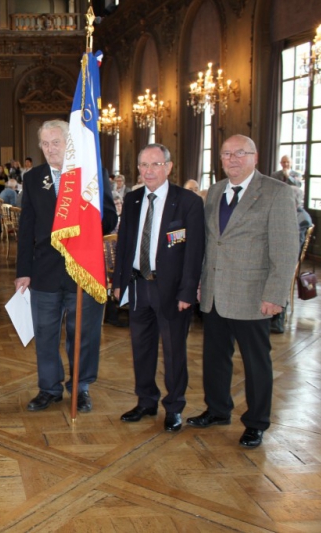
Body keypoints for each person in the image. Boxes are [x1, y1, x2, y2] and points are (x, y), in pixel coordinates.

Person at [187, 134, 299, 448]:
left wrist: (276, 294)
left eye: (240, 153)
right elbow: (211, 243)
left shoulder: (276, 192)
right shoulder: (215, 192)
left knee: (256, 362)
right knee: (214, 358)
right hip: (214, 292)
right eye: (226, 154)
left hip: (253, 294)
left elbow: (285, 249)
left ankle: (257, 422)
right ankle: (218, 409)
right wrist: (198, 282)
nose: (233, 159)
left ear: (255, 156)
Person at [15, 120, 118, 412]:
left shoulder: (91, 174)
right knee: (46, 334)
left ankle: (80, 387)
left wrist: (89, 212)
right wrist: (23, 271)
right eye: (45, 144)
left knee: (83, 334)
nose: (49, 149)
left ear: (69, 143)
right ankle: (49, 388)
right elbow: (27, 228)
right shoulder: (34, 178)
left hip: (83, 269)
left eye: (55, 142)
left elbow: (110, 219)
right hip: (44, 271)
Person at [112, 144, 205, 432]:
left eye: (154, 164)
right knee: (141, 349)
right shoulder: (133, 199)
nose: (148, 170)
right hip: (139, 286)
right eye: (143, 165)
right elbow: (125, 243)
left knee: (174, 352)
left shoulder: (187, 202)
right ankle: (146, 401)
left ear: (168, 166)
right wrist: (118, 283)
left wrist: (188, 291)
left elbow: (194, 252)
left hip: (172, 292)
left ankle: (174, 406)